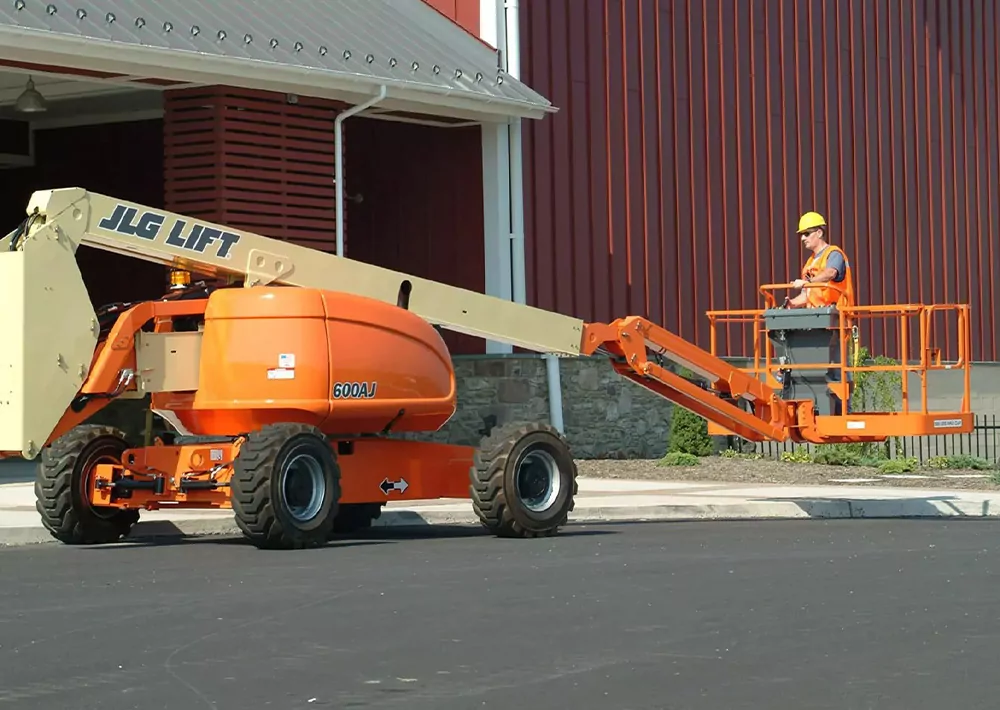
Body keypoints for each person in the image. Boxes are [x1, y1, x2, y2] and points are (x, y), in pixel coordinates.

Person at [786, 211, 855, 310]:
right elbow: (807, 294)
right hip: (817, 317)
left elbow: (830, 273)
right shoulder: (809, 263)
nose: (802, 238)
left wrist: (808, 282)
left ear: (819, 233)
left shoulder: (834, 253)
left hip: (836, 316)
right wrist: (792, 303)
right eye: (801, 234)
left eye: (806, 233)